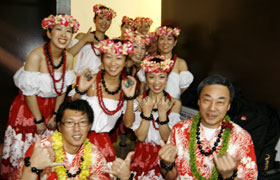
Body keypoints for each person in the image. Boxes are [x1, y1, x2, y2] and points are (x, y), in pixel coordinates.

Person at [1, 14, 79, 179]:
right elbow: (29, 93)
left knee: (49, 153)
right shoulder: (35, 55)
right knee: (25, 154)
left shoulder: (70, 58)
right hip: (29, 107)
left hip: (52, 107)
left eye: (68, 31)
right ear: (49, 33)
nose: (64, 35)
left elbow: (62, 89)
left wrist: (56, 114)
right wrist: (38, 120)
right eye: (58, 29)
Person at [159, 75, 258, 179]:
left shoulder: (242, 138)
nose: (212, 108)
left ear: (228, 106)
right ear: (199, 102)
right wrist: (167, 164)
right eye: (207, 100)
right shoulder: (179, 130)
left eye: (220, 102)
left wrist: (229, 176)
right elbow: (170, 177)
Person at [16, 99, 133, 180]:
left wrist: (125, 178)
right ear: (59, 126)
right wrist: (33, 167)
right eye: (69, 122)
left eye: (82, 122)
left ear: (89, 126)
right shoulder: (42, 150)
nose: (77, 129)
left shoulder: (95, 156)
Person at [70, 39, 137, 163]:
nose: (113, 63)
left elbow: (128, 124)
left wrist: (130, 98)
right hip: (78, 139)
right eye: (108, 57)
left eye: (118, 58)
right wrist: (80, 90)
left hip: (103, 145)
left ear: (125, 61)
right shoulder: (91, 80)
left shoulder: (126, 87)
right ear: (102, 59)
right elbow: (68, 111)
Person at [130, 55, 182, 179]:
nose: (157, 82)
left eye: (161, 77)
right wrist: (147, 113)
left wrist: (163, 114)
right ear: (146, 78)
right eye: (152, 77)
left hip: (165, 155)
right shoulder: (138, 101)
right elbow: (141, 137)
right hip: (142, 154)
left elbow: (168, 138)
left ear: (167, 78)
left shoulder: (174, 103)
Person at [138, 25, 194, 99]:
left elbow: (184, 91)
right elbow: (143, 86)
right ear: (157, 41)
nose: (165, 42)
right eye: (162, 38)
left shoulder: (180, 63)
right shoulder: (149, 61)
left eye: (169, 39)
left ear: (175, 43)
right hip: (150, 106)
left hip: (172, 106)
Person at [68, 4, 116, 75]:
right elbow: (68, 55)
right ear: (94, 20)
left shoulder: (110, 43)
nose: (104, 22)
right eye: (101, 18)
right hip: (82, 81)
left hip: (100, 82)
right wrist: (84, 40)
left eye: (108, 19)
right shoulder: (82, 36)